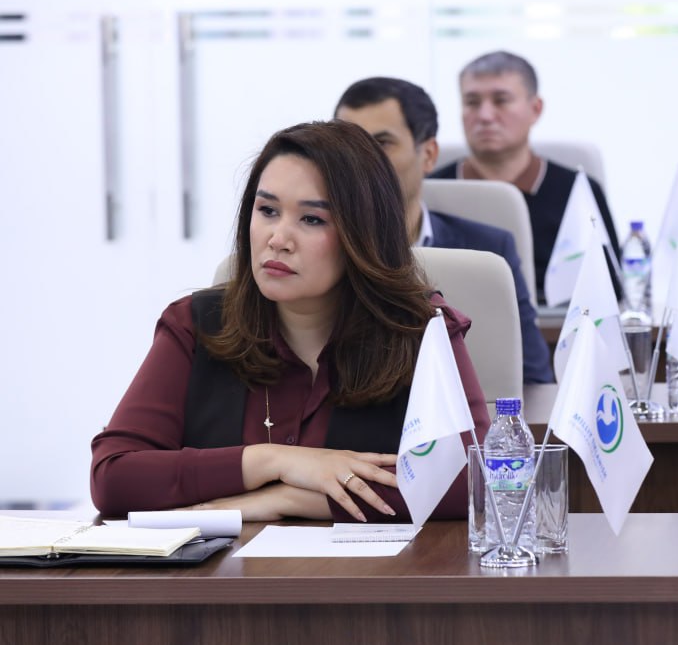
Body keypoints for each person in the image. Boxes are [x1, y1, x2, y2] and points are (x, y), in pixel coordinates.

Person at [91, 121, 490, 522]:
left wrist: (288, 499)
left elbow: (477, 478)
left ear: (364, 234)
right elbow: (114, 476)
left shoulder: (419, 331)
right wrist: (276, 461)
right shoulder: (195, 324)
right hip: (226, 565)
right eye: (267, 210)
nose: (278, 239)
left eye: (312, 219)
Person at [334, 76, 554, 384]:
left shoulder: (487, 251)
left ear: (428, 155)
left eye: (382, 144)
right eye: (349, 146)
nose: (361, 162)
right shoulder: (317, 247)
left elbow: (531, 378)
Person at [430, 50, 620, 302]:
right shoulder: (432, 191)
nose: (485, 115)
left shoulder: (577, 191)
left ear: (535, 109)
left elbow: (609, 289)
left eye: (501, 100)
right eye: (472, 102)